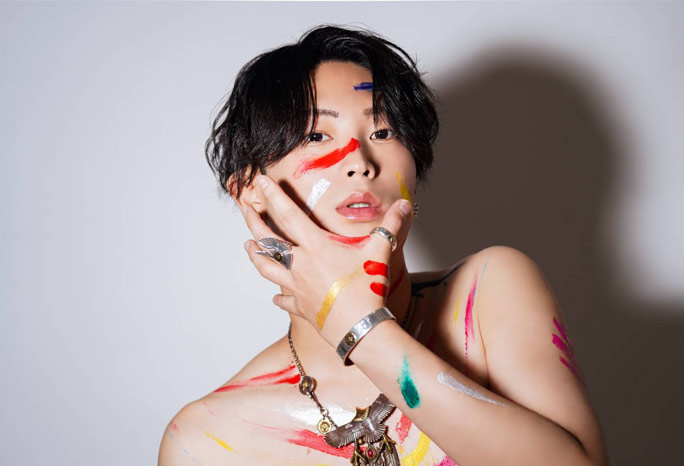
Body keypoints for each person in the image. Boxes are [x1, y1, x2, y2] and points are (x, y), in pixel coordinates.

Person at [158, 25, 608, 466]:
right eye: (316, 136)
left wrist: (361, 329)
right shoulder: (208, 441)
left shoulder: (488, 294)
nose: (359, 161)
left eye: (383, 133)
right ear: (249, 191)